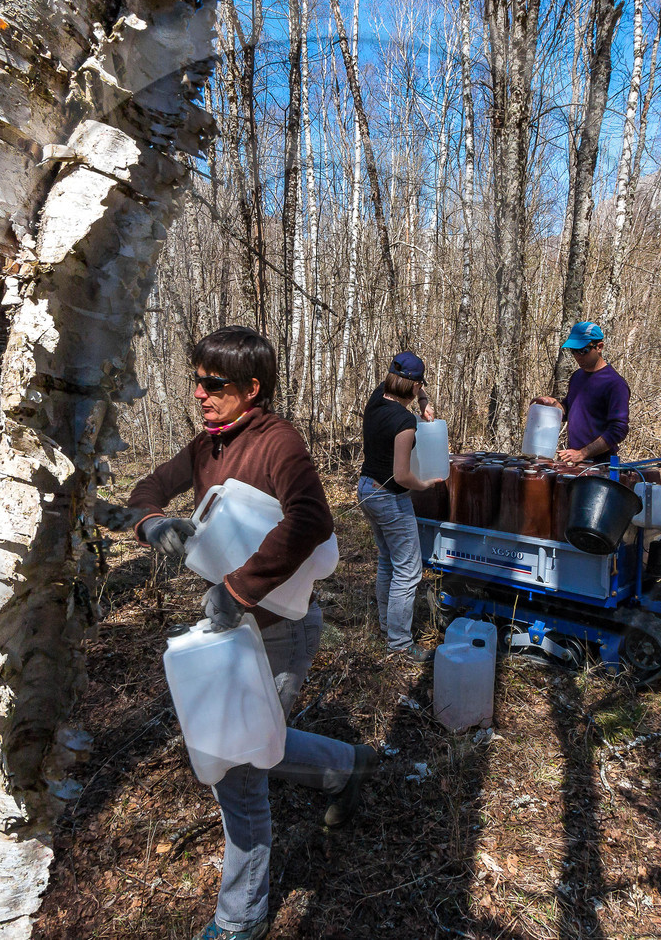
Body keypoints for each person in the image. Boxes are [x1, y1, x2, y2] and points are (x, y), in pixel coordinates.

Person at [126, 326, 378, 940]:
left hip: (281, 628)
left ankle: (240, 920)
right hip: (231, 626)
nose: (199, 394)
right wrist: (154, 522)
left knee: (239, 768)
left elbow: (313, 520)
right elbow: (151, 487)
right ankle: (348, 766)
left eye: (213, 385)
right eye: (197, 381)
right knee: (255, 742)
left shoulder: (277, 443)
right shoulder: (210, 444)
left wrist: (238, 590)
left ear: (251, 390)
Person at [356, 351, 436, 663]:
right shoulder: (404, 423)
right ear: (413, 386)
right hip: (389, 497)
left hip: (365, 488)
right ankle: (401, 643)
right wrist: (425, 484)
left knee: (388, 560)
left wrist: (424, 402)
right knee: (409, 569)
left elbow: (414, 388)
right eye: (420, 388)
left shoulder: (378, 396)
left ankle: (388, 626)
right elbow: (402, 475)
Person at [533, 321, 630, 464]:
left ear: (599, 347)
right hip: (575, 462)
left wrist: (583, 453)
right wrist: (554, 406)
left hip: (601, 465)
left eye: (583, 351)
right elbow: (569, 409)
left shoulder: (615, 383)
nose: (578, 356)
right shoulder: (577, 376)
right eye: (573, 351)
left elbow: (619, 429)